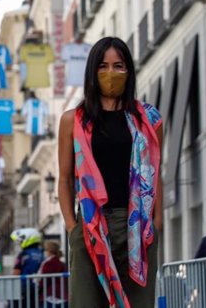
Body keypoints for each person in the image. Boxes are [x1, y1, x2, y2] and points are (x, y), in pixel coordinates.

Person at [57, 37, 163, 307]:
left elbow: (154, 173)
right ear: (92, 71)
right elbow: (66, 178)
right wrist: (73, 228)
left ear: (129, 71)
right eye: (103, 66)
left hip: (137, 227)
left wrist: (157, 222)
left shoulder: (149, 120)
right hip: (92, 226)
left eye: (119, 66)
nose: (111, 73)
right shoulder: (74, 121)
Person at [10, 227, 43, 308]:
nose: (20, 243)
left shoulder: (24, 254)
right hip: (38, 287)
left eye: (21, 241)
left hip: (23, 287)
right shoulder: (41, 254)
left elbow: (16, 272)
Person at [37, 240, 67, 308]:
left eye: (45, 249)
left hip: (50, 297)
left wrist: (38, 288)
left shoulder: (48, 263)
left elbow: (44, 280)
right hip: (62, 296)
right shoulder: (62, 264)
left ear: (49, 251)